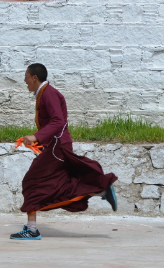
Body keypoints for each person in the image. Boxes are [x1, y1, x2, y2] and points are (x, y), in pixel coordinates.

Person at [11, 63, 118, 240]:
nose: (25, 81)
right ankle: (100, 190)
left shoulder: (49, 94)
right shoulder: (45, 94)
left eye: (26, 77)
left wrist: (37, 137)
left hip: (57, 146)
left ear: (34, 78)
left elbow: (58, 121)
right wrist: (39, 142)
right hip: (55, 146)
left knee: (31, 181)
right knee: (58, 185)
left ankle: (31, 229)